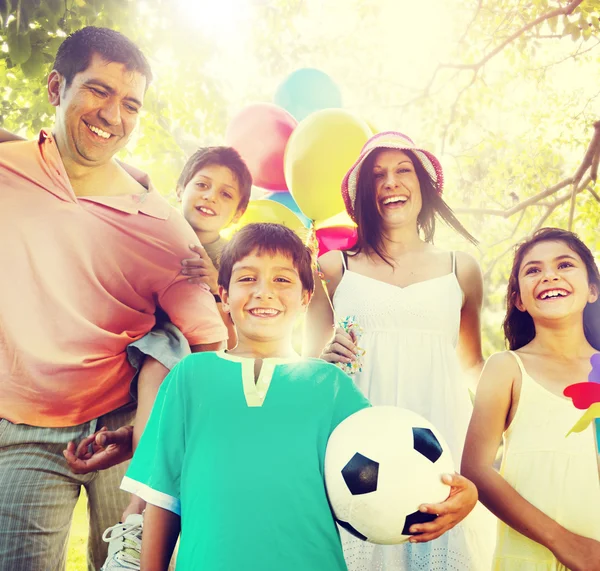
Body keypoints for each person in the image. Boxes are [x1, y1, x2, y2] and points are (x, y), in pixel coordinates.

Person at [0, 27, 227, 571]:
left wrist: (149, 438)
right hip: (23, 429)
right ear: (56, 87)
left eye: (130, 104)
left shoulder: (162, 227)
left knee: (133, 563)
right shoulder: (8, 173)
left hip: (124, 427)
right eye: (98, 91)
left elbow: (211, 346)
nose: (113, 115)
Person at [121, 222, 371, 570]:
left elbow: (384, 469)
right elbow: (163, 497)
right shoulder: (190, 376)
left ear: (305, 297)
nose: (264, 292)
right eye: (247, 278)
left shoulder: (330, 385)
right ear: (223, 294)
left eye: (282, 279)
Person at [304, 131, 487, 570]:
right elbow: (308, 370)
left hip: (441, 449)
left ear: (424, 185)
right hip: (358, 461)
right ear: (363, 194)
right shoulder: (331, 270)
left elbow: (472, 365)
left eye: (403, 170)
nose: (391, 182)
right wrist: (321, 358)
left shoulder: (461, 268)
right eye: (377, 175)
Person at [97, 146, 252, 570]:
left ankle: (156, 522)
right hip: (152, 351)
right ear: (181, 188)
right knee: (159, 359)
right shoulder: (159, 226)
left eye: (225, 194)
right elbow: (118, 179)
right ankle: (137, 513)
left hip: (207, 362)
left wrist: (219, 285)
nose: (209, 197)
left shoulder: (233, 258)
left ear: (237, 212)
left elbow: (237, 332)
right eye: (202, 185)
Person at [462, 227, 600, 571]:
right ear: (519, 300)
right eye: (533, 270)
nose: (549, 275)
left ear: (593, 289)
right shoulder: (507, 368)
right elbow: (477, 470)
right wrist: (564, 542)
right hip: (528, 560)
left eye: (564, 264)